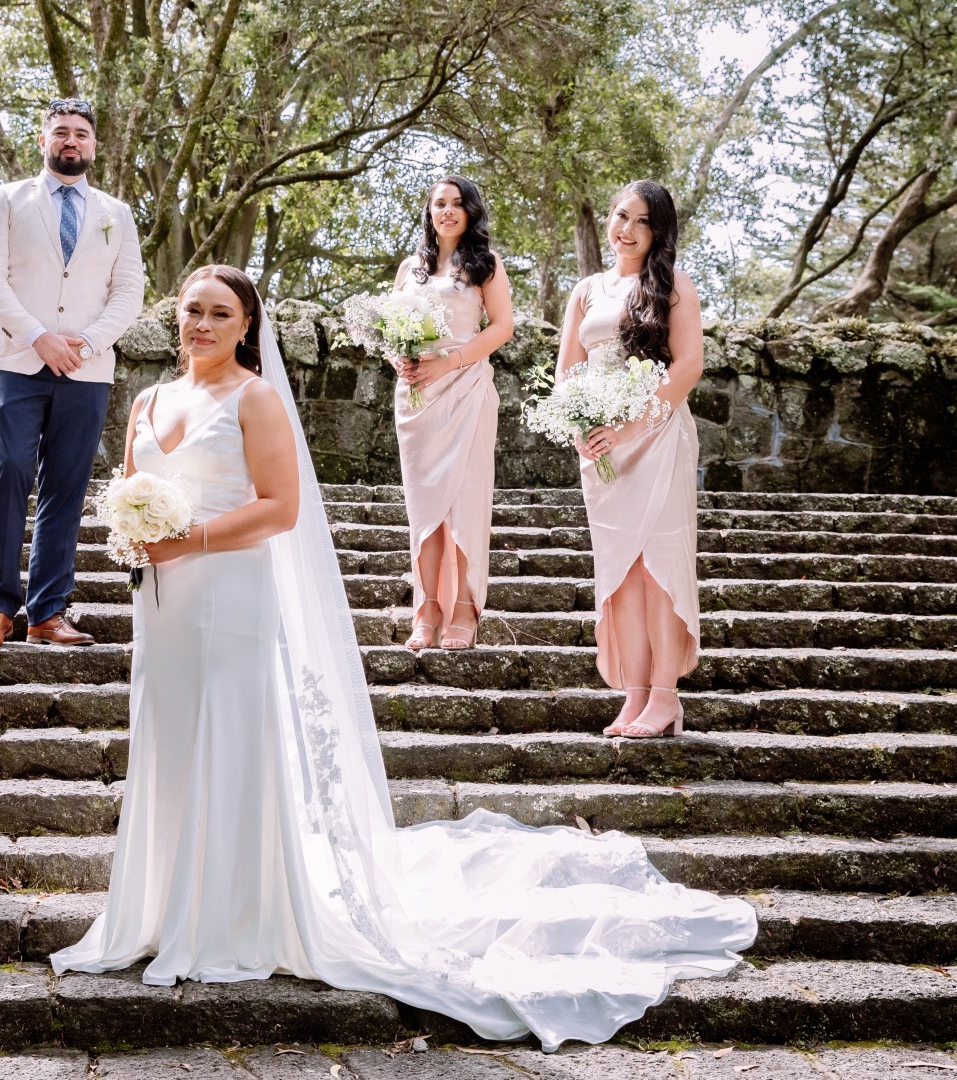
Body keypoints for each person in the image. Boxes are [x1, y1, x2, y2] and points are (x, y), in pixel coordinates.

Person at [51, 264, 755, 1052]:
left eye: (221, 313)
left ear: (247, 326)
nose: (204, 325)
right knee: (167, 740)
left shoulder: (256, 398)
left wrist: (190, 539)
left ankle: (225, 917)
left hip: (227, 593)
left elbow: (281, 508)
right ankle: (153, 910)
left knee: (227, 738)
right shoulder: (147, 400)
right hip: (162, 603)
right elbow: (129, 491)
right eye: (193, 311)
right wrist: (134, 533)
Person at [0, 97, 145, 650]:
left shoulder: (117, 213)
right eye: (61, 132)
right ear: (44, 140)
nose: (72, 141)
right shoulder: (6, 199)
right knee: (9, 471)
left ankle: (48, 612)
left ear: (94, 145)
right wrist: (38, 336)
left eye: (81, 133)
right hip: (15, 362)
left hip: (86, 371)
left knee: (67, 485)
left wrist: (86, 343)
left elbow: (129, 291)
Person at [557, 180, 704, 739]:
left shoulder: (674, 285)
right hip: (602, 447)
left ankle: (665, 697)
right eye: (622, 215)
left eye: (643, 221)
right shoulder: (586, 290)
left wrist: (630, 426)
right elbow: (568, 371)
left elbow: (688, 366)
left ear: (658, 232)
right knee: (621, 570)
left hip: (657, 435)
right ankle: (635, 695)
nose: (628, 229)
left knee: (657, 565)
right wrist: (580, 427)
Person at [390, 176, 514, 650]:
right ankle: (427, 607)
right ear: (429, 211)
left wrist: (450, 362)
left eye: (457, 203)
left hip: (465, 389)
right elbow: (391, 329)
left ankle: (464, 606)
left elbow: (501, 327)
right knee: (424, 503)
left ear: (470, 212)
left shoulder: (486, 265)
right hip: (417, 397)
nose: (447, 211)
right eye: (439, 203)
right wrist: (398, 359)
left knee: (464, 498)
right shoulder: (410, 268)